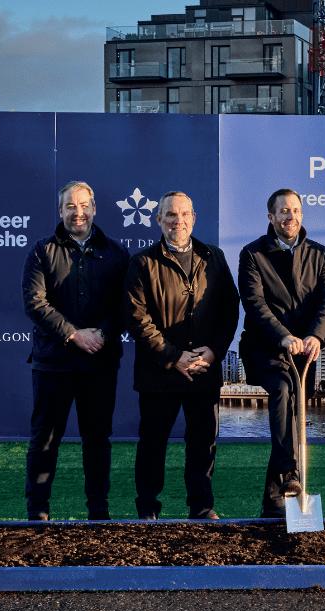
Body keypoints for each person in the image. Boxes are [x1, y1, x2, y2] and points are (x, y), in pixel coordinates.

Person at [125, 191, 239, 519]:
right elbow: (137, 318)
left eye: (185, 214)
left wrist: (214, 351)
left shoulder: (213, 257)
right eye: (171, 215)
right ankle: (148, 509)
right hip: (159, 371)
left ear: (194, 218)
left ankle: (201, 507)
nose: (179, 221)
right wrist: (174, 357)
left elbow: (229, 309)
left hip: (203, 369)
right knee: (153, 443)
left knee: (203, 443)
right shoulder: (142, 262)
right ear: (159, 219)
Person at [21, 180, 129, 521]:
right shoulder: (41, 251)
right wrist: (72, 334)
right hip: (53, 364)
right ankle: (37, 512)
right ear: (60, 210)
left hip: (99, 364)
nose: (77, 212)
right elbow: (35, 303)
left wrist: (103, 333)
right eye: (70, 206)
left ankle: (98, 511)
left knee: (97, 440)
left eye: (83, 206)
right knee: (45, 439)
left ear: (94, 209)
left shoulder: (116, 253)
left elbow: (126, 306)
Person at [238, 189, 325, 519]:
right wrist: (283, 336)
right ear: (271, 217)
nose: (290, 216)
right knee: (282, 388)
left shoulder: (319, 254)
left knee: (293, 415)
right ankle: (290, 472)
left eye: (295, 210)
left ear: (302, 215)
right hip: (265, 347)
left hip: (303, 353)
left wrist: (315, 336)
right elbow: (254, 303)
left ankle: (273, 501)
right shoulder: (253, 254)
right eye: (283, 211)